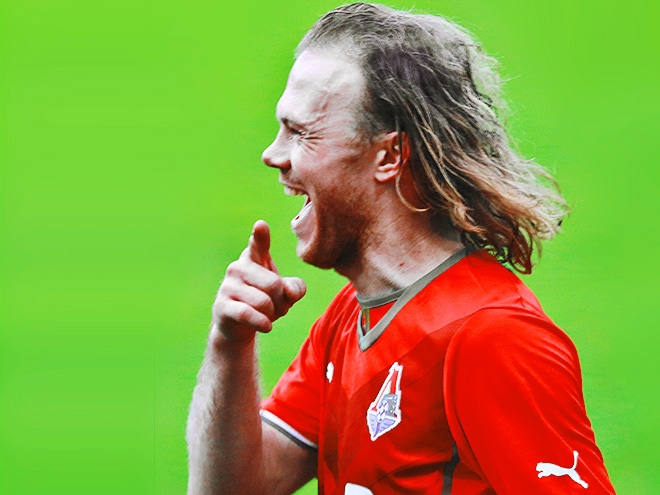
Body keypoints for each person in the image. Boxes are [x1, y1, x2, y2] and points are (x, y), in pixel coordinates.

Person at [186, 3, 616, 494]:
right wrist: (230, 346)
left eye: (301, 132)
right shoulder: (353, 314)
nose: (273, 154)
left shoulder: (491, 336)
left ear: (389, 155)